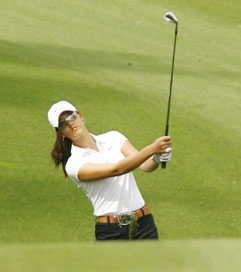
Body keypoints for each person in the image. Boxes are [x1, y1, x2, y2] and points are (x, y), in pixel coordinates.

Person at [47, 100, 172, 240]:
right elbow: (116, 170)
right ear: (60, 133)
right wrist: (152, 149)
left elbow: (144, 165)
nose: (70, 123)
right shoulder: (74, 164)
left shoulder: (114, 138)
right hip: (111, 231)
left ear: (80, 116)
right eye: (63, 123)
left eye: (71, 117)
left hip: (144, 224)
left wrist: (157, 157)